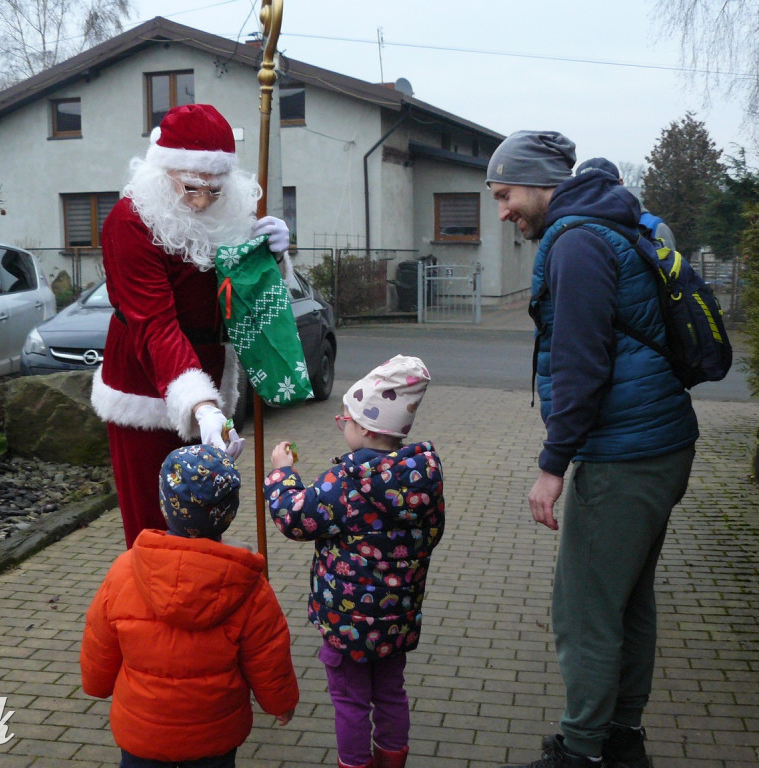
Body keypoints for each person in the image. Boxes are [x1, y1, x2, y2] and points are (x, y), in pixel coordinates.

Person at [487, 132, 698, 768]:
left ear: (538, 184)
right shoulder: (609, 221)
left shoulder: (577, 241)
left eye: (504, 195)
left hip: (625, 453)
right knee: (627, 598)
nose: (502, 211)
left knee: (582, 610)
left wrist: (552, 468)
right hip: (658, 442)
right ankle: (621, 737)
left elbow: (581, 366)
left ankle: (582, 751)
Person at [91, 102, 292, 548]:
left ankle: (202, 607)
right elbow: (153, 324)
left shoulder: (227, 214)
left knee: (203, 521)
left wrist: (270, 254)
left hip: (206, 378)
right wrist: (202, 406)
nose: (202, 201)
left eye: (215, 191)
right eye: (191, 188)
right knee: (154, 530)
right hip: (143, 385)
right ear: (164, 172)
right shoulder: (128, 223)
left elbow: (243, 294)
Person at [264, 355, 445, 768]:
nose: (340, 422)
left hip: (347, 622)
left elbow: (294, 518)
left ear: (363, 427)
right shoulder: (424, 476)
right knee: (391, 693)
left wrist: (282, 474)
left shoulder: (345, 482)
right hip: (398, 617)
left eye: (344, 417)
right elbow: (432, 534)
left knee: (349, 701)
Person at [80, 444, 299, 768]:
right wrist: (280, 702)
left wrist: (96, 684)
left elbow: (100, 641)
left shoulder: (124, 571)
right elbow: (268, 653)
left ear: (165, 505)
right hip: (214, 734)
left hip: (142, 732)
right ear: (229, 513)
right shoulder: (248, 585)